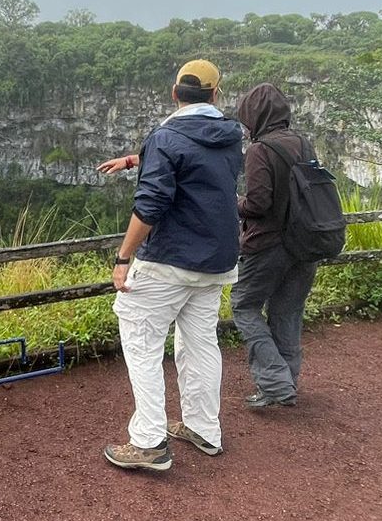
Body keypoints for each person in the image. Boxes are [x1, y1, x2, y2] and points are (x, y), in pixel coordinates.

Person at [102, 60, 244, 471]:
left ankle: (148, 441)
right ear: (215, 95)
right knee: (200, 343)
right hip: (216, 261)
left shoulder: (166, 137)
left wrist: (122, 257)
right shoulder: (231, 135)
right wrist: (136, 159)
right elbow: (195, 164)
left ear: (174, 93)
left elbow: (151, 204)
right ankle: (203, 429)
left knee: (141, 339)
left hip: (170, 260)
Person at [231, 83, 318, 409]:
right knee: (287, 311)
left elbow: (257, 203)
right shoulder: (302, 142)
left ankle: (274, 380)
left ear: (255, 117)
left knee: (244, 306)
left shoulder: (260, 150)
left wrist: (233, 203)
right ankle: (285, 382)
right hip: (306, 243)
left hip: (268, 246)